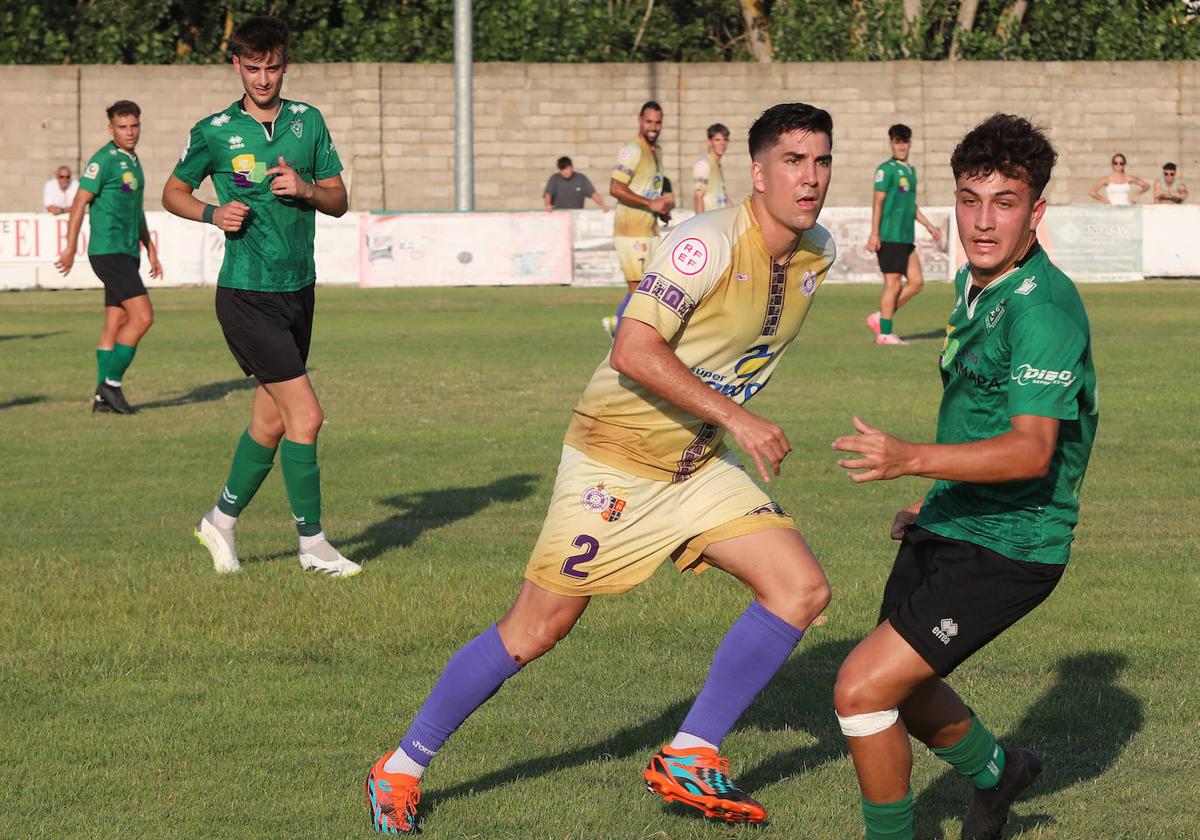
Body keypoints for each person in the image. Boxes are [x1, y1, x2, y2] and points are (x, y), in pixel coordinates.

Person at [365, 102, 839, 835]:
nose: (810, 179)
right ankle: (399, 766)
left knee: (800, 588)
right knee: (536, 630)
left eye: (822, 161)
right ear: (758, 171)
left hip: (693, 464)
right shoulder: (704, 243)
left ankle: (691, 752)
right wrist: (738, 416)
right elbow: (632, 351)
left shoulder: (820, 250)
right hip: (614, 462)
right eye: (793, 161)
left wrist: (721, 423)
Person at [831, 114, 1098, 840]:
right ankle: (999, 772)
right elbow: (978, 414)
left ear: (1036, 211)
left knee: (861, 689)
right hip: (953, 516)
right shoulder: (975, 281)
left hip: (1012, 543)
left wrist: (910, 458)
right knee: (907, 691)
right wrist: (935, 493)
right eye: (970, 200)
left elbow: (1031, 450)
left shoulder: (1042, 310)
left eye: (1004, 202)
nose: (982, 223)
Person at [161, 15, 360, 578]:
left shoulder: (308, 122)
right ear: (237, 66)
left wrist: (306, 189)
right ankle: (313, 544)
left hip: (299, 289)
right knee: (307, 416)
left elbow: (340, 199)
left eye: (273, 67)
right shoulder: (215, 130)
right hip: (246, 295)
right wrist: (210, 212)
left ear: (285, 64)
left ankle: (219, 521)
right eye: (253, 68)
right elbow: (174, 190)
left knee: (270, 422)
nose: (264, 79)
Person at [54, 101, 162, 415]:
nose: (130, 132)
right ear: (111, 128)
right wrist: (70, 247)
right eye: (123, 127)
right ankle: (110, 385)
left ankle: (102, 401)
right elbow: (78, 203)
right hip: (108, 250)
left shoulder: (133, 158)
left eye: (134, 126)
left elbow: (135, 208)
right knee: (143, 317)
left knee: (114, 323)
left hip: (128, 251)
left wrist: (150, 247)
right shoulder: (103, 160)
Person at [866, 124, 941, 346]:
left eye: (905, 141)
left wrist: (928, 225)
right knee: (893, 284)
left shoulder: (911, 171)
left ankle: (881, 316)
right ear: (891, 143)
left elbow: (910, 205)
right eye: (897, 141)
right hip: (890, 235)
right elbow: (878, 201)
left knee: (917, 283)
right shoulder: (886, 169)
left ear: (910, 143)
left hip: (906, 237)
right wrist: (874, 233)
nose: (901, 146)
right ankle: (885, 333)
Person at [601, 101, 668, 338]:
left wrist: (660, 209)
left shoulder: (656, 150)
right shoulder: (633, 149)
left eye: (657, 122)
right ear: (640, 121)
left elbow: (649, 189)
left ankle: (620, 327)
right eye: (649, 122)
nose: (653, 127)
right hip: (630, 233)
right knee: (638, 290)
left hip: (649, 230)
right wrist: (651, 203)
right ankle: (624, 334)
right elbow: (615, 187)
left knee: (651, 289)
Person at [543, 156, 608, 211]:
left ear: (572, 167)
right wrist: (547, 205)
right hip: (558, 214)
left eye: (567, 169)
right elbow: (548, 194)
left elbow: (593, 193)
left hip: (577, 214)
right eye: (562, 170)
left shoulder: (581, 178)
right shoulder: (554, 178)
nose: (565, 172)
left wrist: (602, 205)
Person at [693, 122, 731, 214]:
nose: (722, 143)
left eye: (725, 139)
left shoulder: (717, 164)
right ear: (709, 142)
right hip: (708, 222)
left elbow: (723, 196)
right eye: (717, 140)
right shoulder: (703, 164)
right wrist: (700, 225)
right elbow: (698, 196)